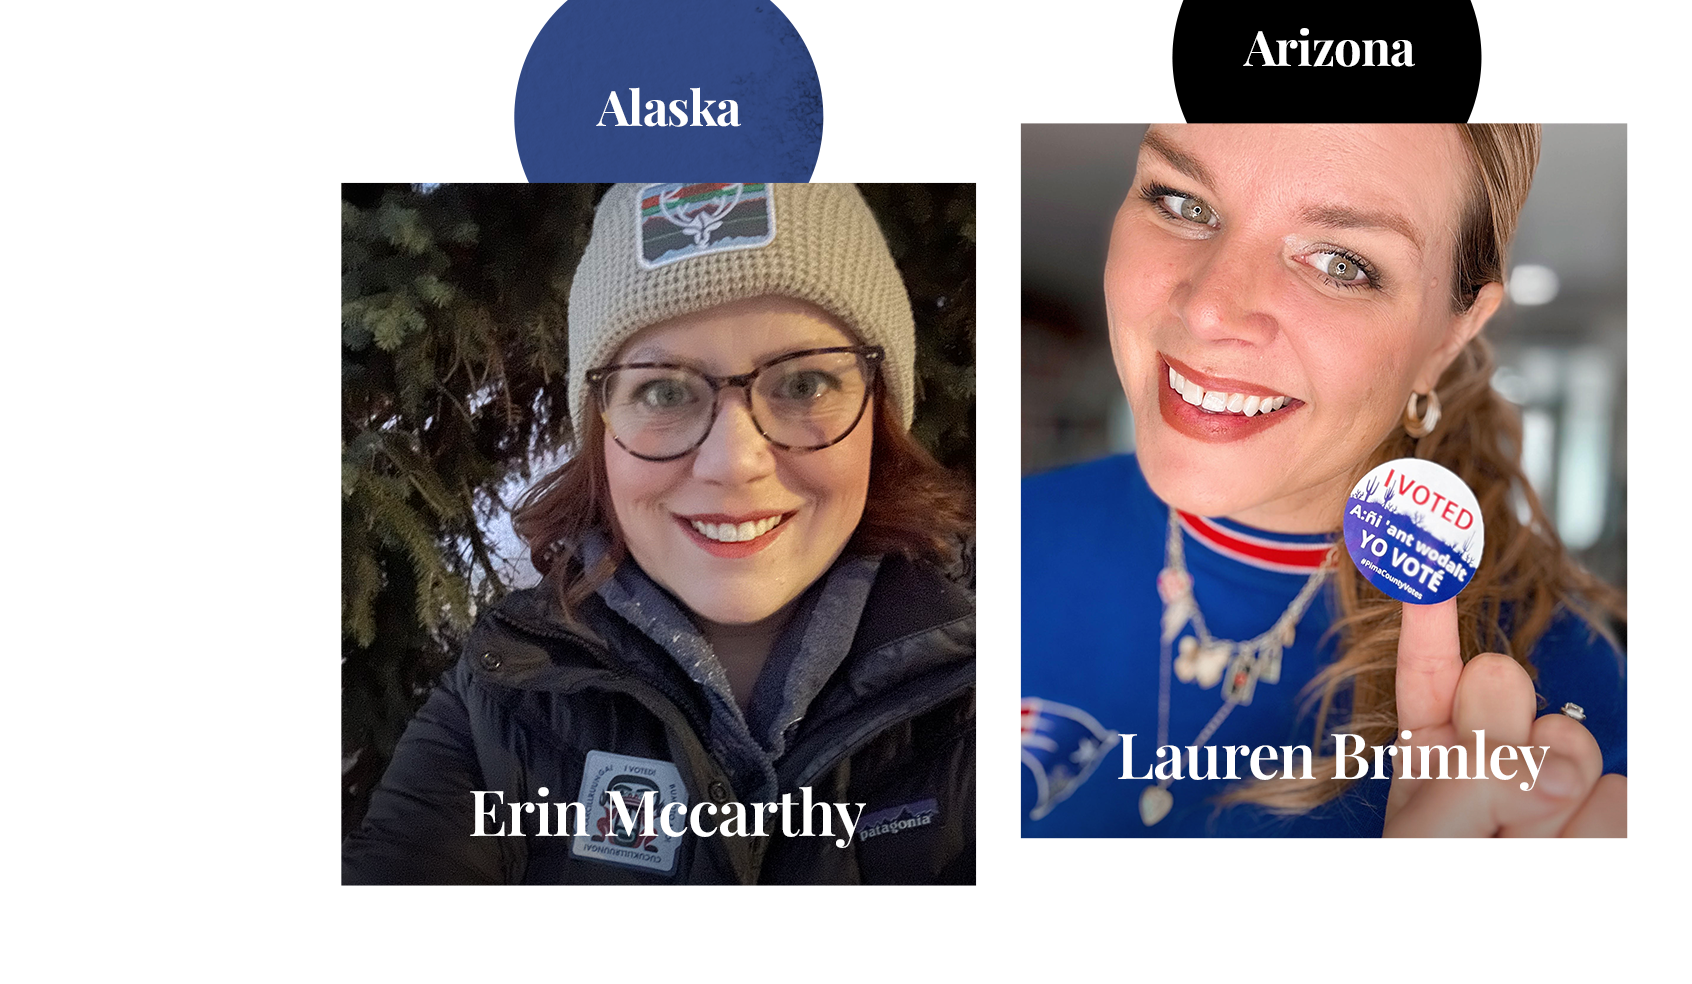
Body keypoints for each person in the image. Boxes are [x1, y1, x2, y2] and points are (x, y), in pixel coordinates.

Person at [345, 182, 975, 882]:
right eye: (665, 391)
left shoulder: (994, 693)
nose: (735, 462)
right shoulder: (500, 700)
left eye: (804, 385)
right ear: (601, 431)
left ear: (881, 415)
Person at [1021, 125, 1626, 837]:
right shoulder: (996, 541)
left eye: (1341, 262)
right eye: (1183, 202)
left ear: (1446, 339)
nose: (1210, 308)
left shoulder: (1558, 722)